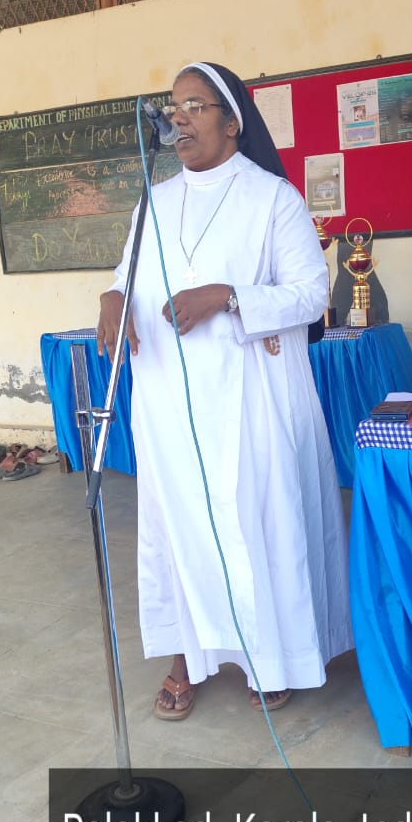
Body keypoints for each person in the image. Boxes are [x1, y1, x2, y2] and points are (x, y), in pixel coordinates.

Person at [96, 61, 352, 721]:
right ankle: (185, 656)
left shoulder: (273, 199)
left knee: (255, 525)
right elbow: (126, 275)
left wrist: (227, 297)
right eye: (173, 106)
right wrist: (111, 296)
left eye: (195, 105)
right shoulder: (151, 202)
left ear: (233, 122)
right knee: (177, 527)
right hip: (168, 404)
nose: (178, 117)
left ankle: (274, 658)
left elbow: (309, 295)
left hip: (250, 403)